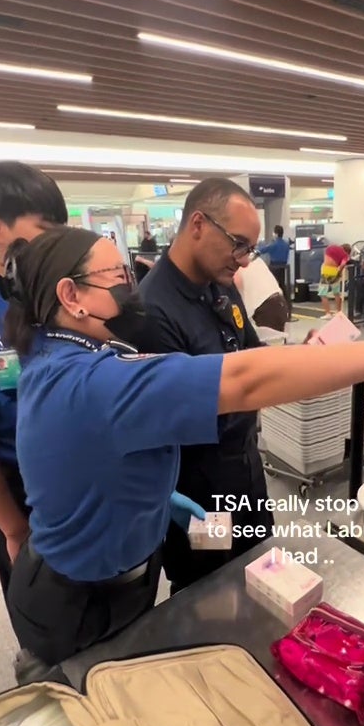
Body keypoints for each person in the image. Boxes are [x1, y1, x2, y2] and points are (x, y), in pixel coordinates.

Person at [2, 226, 364, 666]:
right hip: (78, 603)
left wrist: (152, 498)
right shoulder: (92, 380)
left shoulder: (61, 356)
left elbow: (88, 452)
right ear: (71, 296)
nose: (131, 288)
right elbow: (243, 379)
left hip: (115, 569)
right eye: (116, 278)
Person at [137, 178, 272, 590]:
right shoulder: (152, 310)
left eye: (250, 248)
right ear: (198, 223)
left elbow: (250, 349)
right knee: (211, 593)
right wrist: (259, 386)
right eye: (238, 244)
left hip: (245, 469)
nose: (244, 260)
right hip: (200, 493)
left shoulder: (219, 286)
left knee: (262, 571)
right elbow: (186, 418)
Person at [0, 161, 67, 595]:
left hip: (74, 473)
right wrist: (14, 530)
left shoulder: (62, 294)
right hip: (16, 489)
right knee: (40, 606)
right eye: (45, 227)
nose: (57, 241)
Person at [234, 255, 289, 333]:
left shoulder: (235, 259)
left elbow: (237, 281)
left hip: (266, 306)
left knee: (266, 342)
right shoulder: (250, 255)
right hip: (277, 302)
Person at [257, 224, 291, 317]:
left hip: (274, 267)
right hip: (283, 267)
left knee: (272, 286)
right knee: (282, 285)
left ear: (275, 233)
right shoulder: (286, 244)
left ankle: (274, 308)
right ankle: (287, 307)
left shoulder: (274, 244)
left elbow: (262, 250)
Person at [317, 242, 352, 318]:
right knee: (336, 293)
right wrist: (339, 271)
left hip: (326, 272)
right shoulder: (345, 256)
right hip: (335, 272)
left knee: (322, 293)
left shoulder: (331, 247)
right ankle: (338, 312)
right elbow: (343, 264)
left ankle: (328, 313)